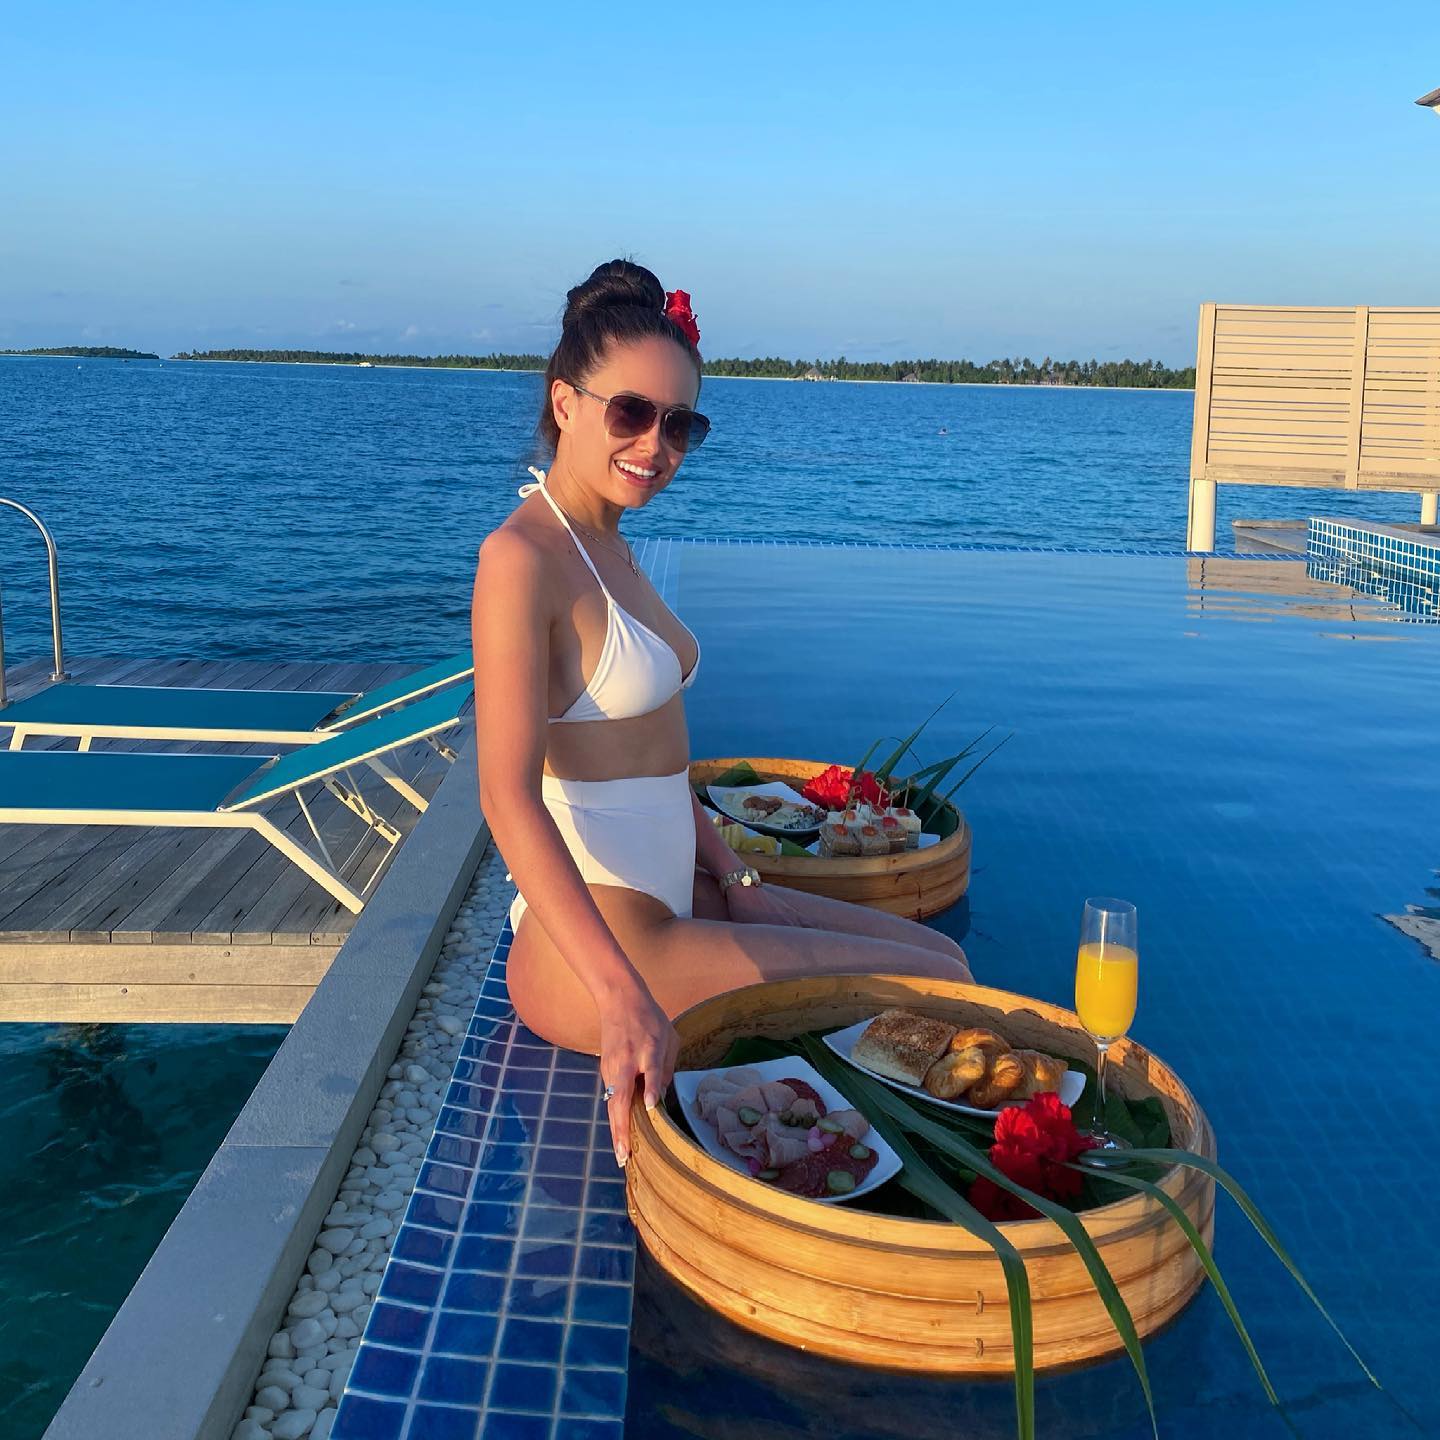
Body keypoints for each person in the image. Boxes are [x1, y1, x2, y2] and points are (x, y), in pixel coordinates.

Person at [471, 260, 972, 1169]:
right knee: (941, 992)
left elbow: (658, 761)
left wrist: (737, 877)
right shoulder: (522, 559)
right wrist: (621, 996)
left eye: (680, 424)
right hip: (601, 949)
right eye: (632, 412)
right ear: (566, 403)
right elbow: (506, 798)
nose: (655, 445)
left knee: (944, 959)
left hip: (677, 897)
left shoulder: (609, 543)